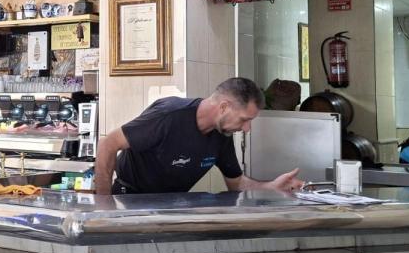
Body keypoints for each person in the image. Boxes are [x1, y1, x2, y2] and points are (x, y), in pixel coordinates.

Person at [94, 77, 304, 195]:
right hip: (130, 199)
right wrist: (103, 206)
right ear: (223, 107)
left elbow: (236, 184)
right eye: (244, 119)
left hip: (172, 204)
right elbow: (108, 144)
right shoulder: (169, 115)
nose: (247, 129)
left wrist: (272, 186)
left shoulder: (222, 134)